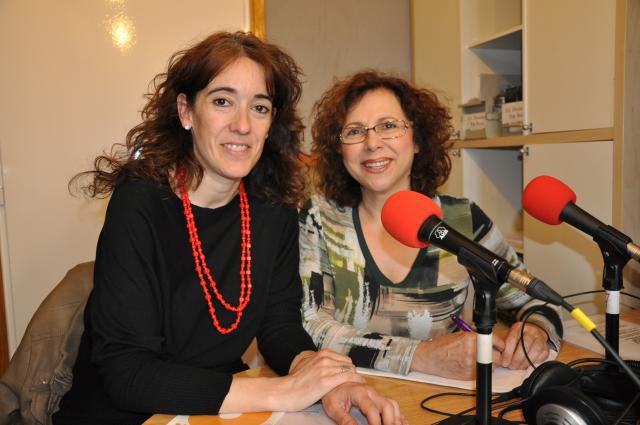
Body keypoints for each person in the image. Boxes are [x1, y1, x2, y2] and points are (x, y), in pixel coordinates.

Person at [53, 33, 406, 425]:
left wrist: (324, 379)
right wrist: (283, 391)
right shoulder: (139, 203)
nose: (242, 125)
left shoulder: (273, 209)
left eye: (260, 107)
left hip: (214, 411)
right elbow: (128, 374)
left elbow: (279, 325)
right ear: (186, 112)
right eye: (222, 101)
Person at [299, 70, 563, 380]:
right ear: (339, 149)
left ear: (418, 140)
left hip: (443, 396)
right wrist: (421, 355)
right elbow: (311, 326)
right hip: (350, 393)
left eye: (388, 126)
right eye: (354, 131)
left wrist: (535, 329)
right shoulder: (320, 217)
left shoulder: (462, 219)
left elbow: (537, 299)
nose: (372, 143)